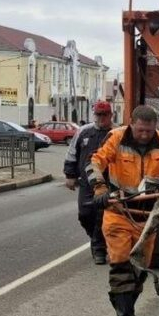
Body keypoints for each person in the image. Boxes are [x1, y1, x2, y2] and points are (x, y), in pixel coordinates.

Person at [88, 104, 159, 316]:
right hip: (118, 211)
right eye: (140, 130)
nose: (144, 135)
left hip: (147, 217)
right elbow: (95, 163)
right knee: (120, 265)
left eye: (148, 131)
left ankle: (128, 312)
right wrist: (100, 187)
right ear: (132, 123)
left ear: (155, 127)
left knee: (139, 269)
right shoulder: (116, 138)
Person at [64, 101, 115, 265]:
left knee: (102, 216)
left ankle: (99, 249)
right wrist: (70, 175)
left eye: (105, 115)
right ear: (95, 115)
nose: (101, 118)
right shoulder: (84, 132)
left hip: (108, 183)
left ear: (110, 115)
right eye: (98, 115)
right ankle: (95, 239)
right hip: (86, 183)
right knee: (85, 215)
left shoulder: (116, 133)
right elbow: (72, 153)